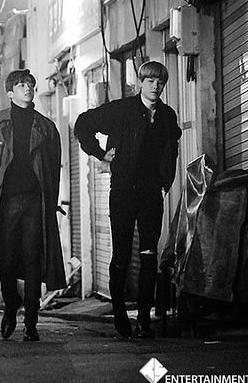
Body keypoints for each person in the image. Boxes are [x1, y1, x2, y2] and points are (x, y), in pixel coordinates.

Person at [74, 60, 181, 339]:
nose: (155, 86)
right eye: (150, 81)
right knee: (121, 255)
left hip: (151, 193)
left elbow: (172, 146)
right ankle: (120, 313)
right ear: (140, 82)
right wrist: (100, 153)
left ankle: (144, 320)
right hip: (122, 192)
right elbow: (83, 124)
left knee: (149, 255)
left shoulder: (167, 116)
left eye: (160, 82)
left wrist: (165, 180)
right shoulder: (121, 110)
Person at [0, 69, 66, 341]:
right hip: (3, 202)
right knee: (5, 260)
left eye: (30, 84)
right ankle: (10, 305)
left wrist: (50, 203)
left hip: (34, 202)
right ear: (10, 92)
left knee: (33, 260)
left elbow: (54, 169)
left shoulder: (46, 126)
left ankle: (31, 320)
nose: (27, 88)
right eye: (21, 85)